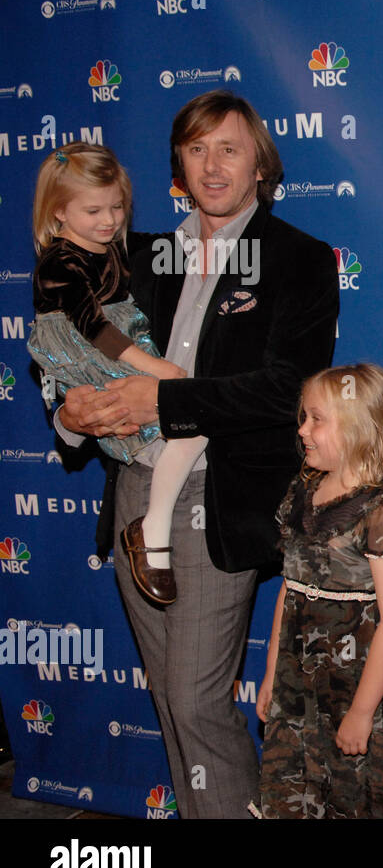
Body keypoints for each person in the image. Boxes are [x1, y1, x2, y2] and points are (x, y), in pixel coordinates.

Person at [57, 90, 339, 818]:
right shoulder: (142, 253)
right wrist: (74, 408)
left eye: (230, 148)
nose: (213, 165)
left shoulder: (297, 259)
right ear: (179, 162)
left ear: (260, 165)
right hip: (133, 491)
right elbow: (88, 345)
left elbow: (285, 391)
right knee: (170, 699)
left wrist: (165, 403)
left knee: (196, 698)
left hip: (217, 498)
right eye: (197, 148)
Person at [28, 143, 206, 607]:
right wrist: (158, 369)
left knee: (194, 426)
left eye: (117, 207)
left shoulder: (127, 248)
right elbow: (94, 329)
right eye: (93, 210)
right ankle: (153, 530)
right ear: (58, 212)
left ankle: (152, 528)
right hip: (96, 353)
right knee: (189, 424)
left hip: (123, 349)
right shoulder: (59, 263)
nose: (108, 220)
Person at [255, 365, 383, 818]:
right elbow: (289, 591)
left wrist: (361, 712)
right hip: (298, 694)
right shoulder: (301, 493)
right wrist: (272, 675)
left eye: (316, 419)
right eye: (303, 418)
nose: (303, 430)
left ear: (358, 428)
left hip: (362, 695)